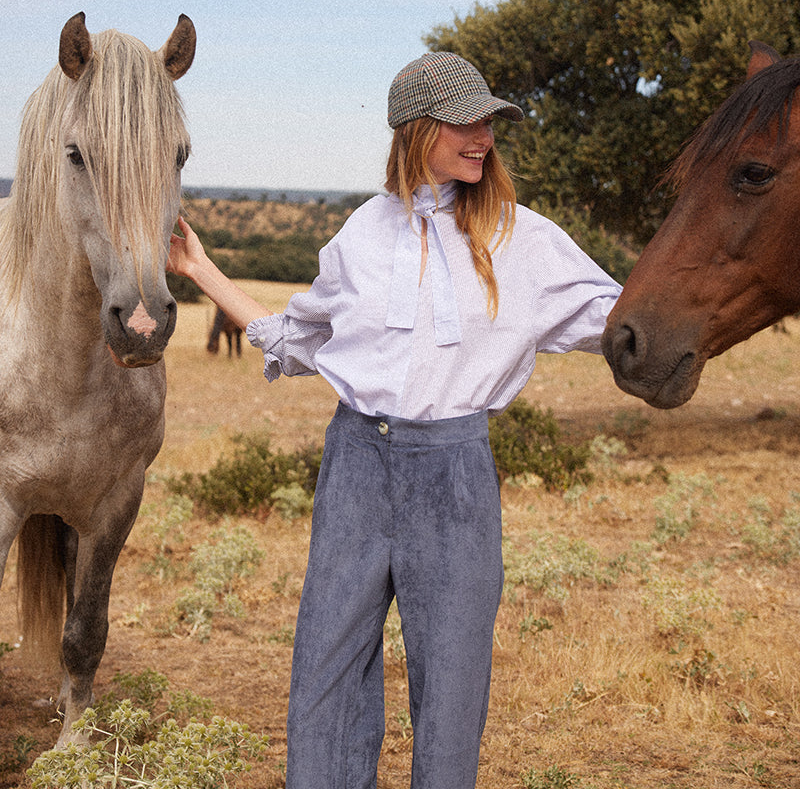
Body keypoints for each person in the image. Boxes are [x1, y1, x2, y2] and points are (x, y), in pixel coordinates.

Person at [167, 51, 622, 789]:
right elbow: (298, 340)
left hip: (454, 474)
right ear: (415, 130)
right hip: (355, 465)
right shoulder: (361, 234)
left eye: (488, 124)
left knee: (451, 681)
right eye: (464, 123)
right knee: (327, 669)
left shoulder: (525, 238)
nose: (483, 138)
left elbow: (627, 321)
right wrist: (201, 271)